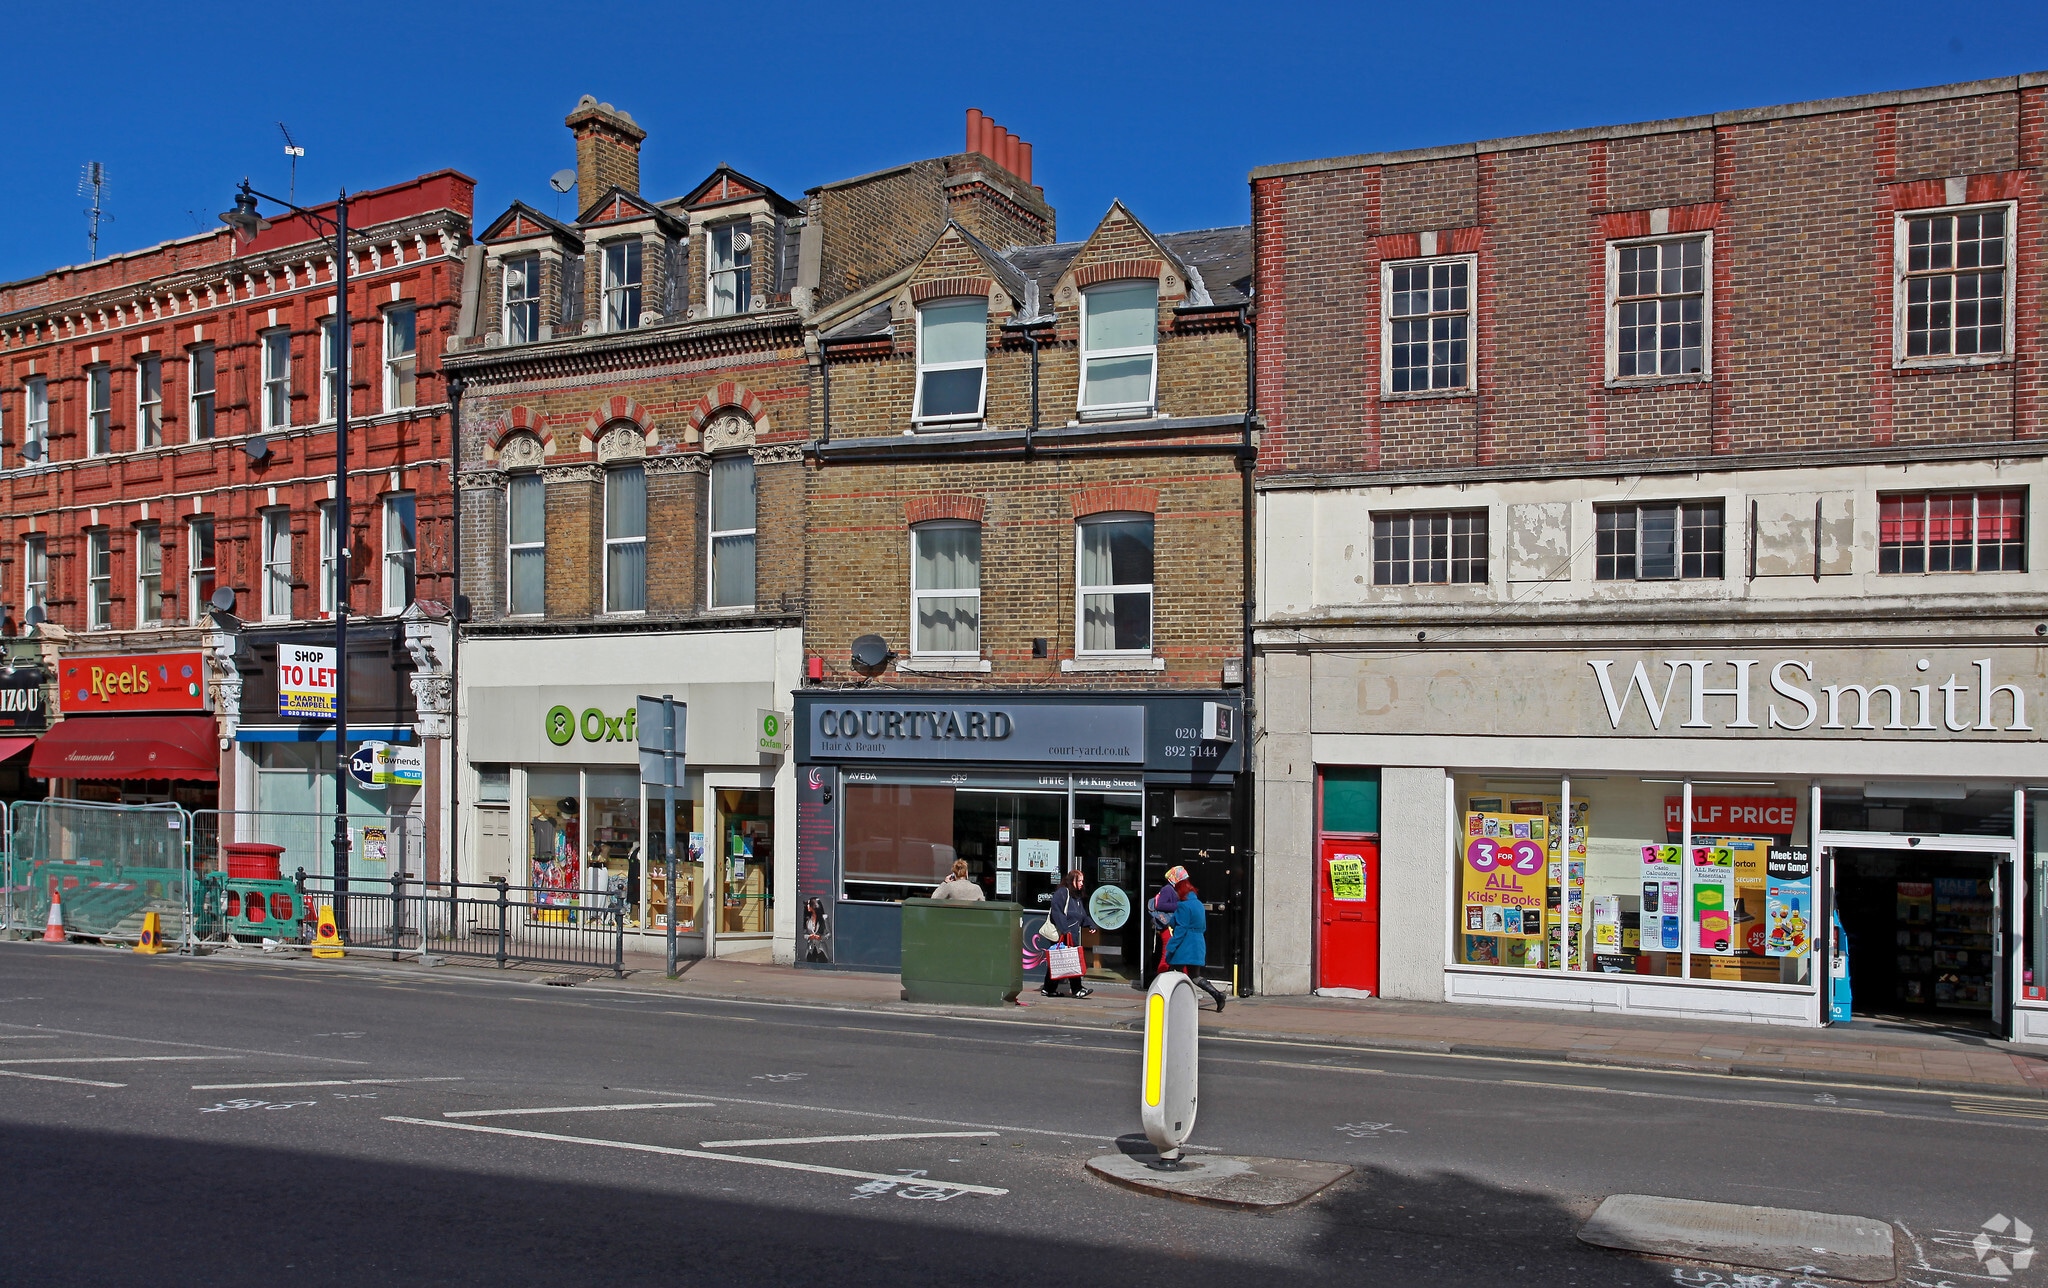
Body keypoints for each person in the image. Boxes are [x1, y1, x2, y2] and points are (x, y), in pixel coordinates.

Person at [1165, 877, 1226, 1011]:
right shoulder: (1198, 904)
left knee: (1174, 973)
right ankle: (1217, 994)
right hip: (1197, 943)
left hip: (1185, 944)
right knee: (1195, 975)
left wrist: (1171, 946)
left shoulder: (1183, 906)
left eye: (1176, 891)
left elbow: (1181, 929)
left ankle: (1177, 1002)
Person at [1040, 868, 1098, 998]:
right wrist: (1065, 930)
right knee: (1073, 961)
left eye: (1083, 881)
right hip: (1063, 934)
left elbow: (1082, 915)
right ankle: (1077, 989)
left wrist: (1090, 924)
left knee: (1057, 962)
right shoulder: (1062, 893)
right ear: (1072, 881)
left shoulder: (1077, 898)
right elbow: (1056, 912)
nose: (1082, 883)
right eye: (1080, 880)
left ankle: (1048, 989)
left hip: (1072, 934)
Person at [1149, 865, 1188, 976]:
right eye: (1182, 879)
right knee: (1167, 952)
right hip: (1167, 927)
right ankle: (1161, 979)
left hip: (1174, 926)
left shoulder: (1175, 889)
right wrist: (1179, 905)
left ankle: (1184, 979)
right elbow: (1160, 905)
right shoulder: (1167, 889)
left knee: (1179, 952)